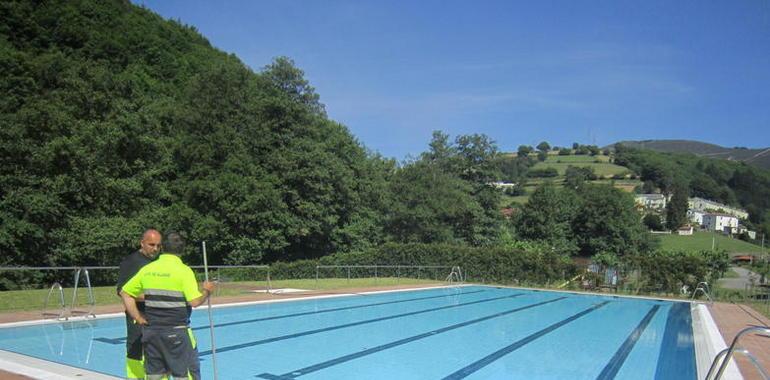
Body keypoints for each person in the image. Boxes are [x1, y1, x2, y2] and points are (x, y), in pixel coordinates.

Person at [120, 232, 216, 380]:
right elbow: (195, 302)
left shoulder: (148, 269)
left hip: (152, 333)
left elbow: (125, 293)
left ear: (163, 247)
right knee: (185, 374)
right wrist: (207, 291)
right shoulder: (184, 271)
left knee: (156, 376)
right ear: (182, 250)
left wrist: (138, 317)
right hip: (176, 333)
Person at [116, 229, 162, 379]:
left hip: (157, 316)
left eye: (158, 245)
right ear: (142, 243)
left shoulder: (159, 261)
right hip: (137, 314)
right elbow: (122, 291)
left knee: (158, 353)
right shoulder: (131, 262)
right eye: (151, 244)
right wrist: (153, 296)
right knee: (135, 352)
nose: (155, 249)